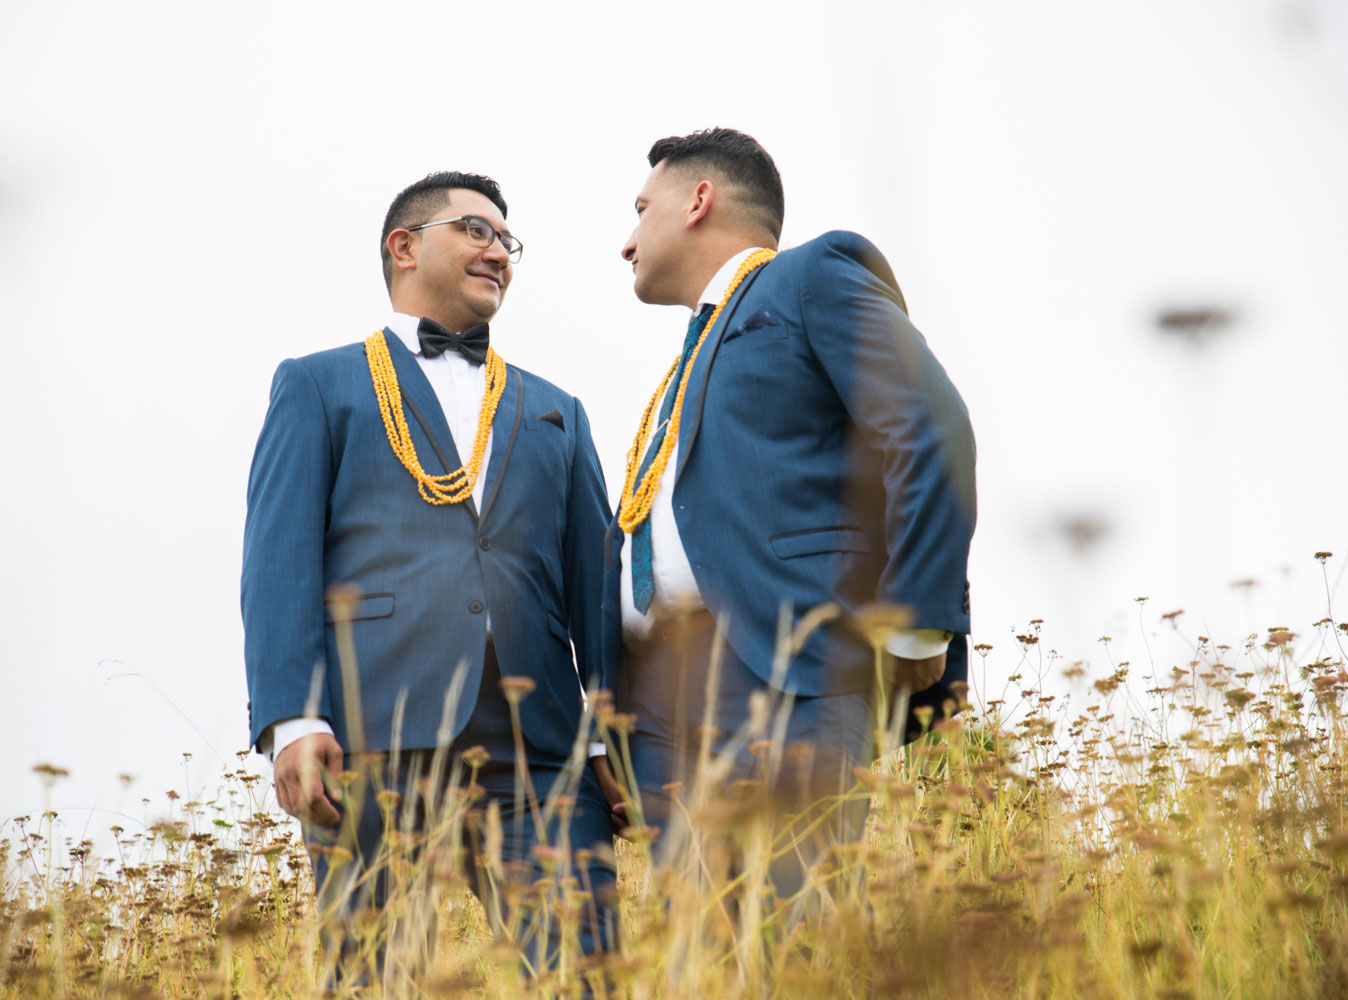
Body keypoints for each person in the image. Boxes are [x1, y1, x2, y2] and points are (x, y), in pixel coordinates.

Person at [241, 171, 621, 977]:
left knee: (586, 978)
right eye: (476, 231)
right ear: (404, 247)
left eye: (507, 241)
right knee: (374, 978)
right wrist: (293, 722)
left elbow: (597, 591)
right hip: (374, 744)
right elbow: (278, 562)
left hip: (540, 753)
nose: (499, 253)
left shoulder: (559, 409)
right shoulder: (318, 384)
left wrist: (613, 732)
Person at [606, 128, 976, 872]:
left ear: (698, 201)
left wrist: (916, 626)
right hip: (661, 713)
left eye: (642, 208)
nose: (626, 241)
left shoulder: (810, 278)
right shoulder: (682, 370)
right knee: (693, 963)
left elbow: (930, 429)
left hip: (787, 675)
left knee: (788, 937)